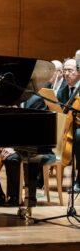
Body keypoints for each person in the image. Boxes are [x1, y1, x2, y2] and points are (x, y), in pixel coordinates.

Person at [57, 58, 80, 193]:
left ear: (78, 72)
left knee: (78, 136)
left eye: (70, 70)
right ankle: (40, 176)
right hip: (68, 126)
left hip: (78, 127)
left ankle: (79, 179)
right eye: (64, 70)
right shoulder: (63, 90)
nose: (66, 73)